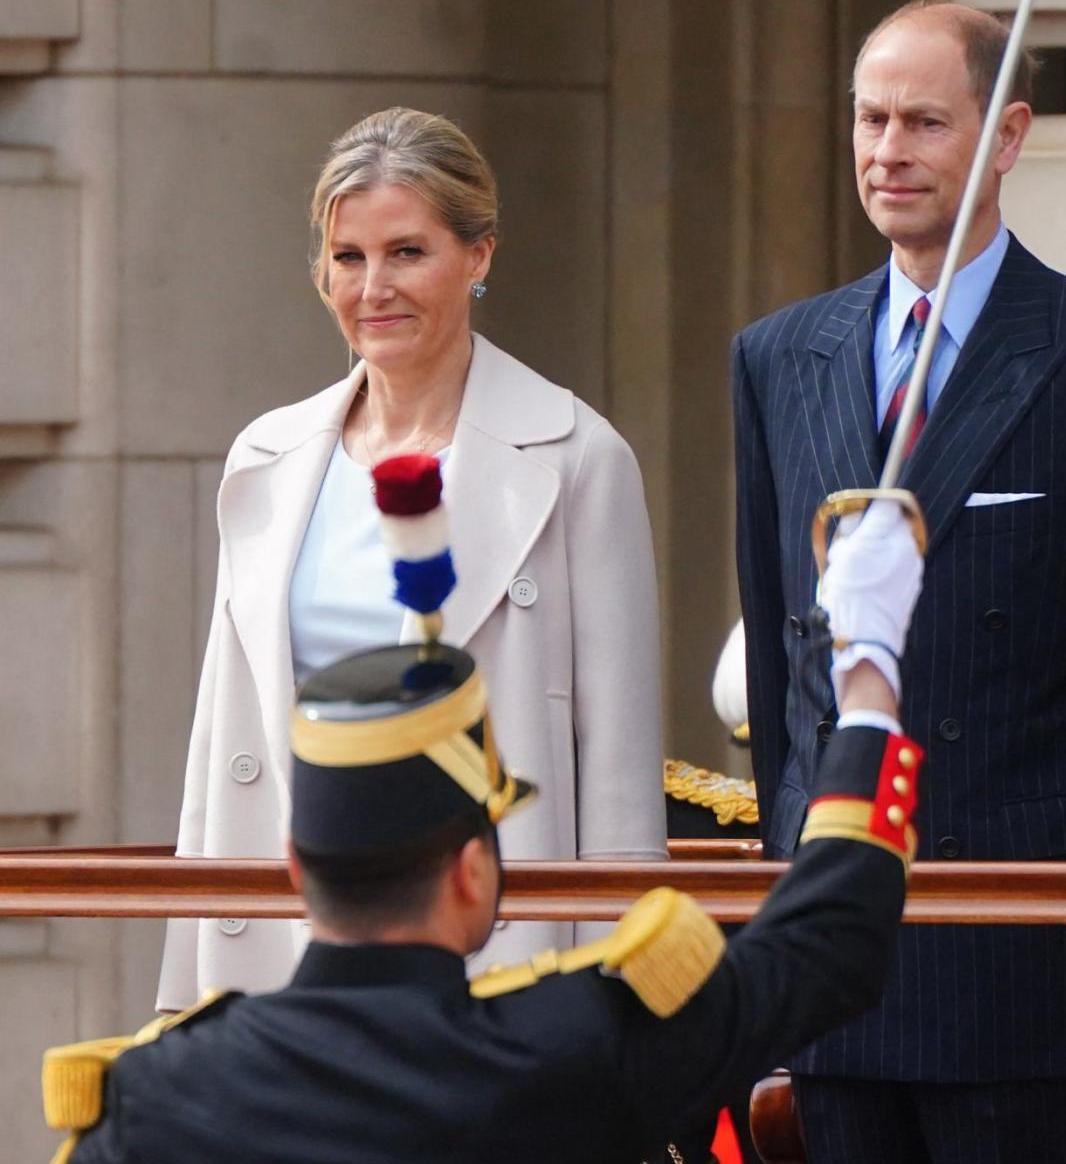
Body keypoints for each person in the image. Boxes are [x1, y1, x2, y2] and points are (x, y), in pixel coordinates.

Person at [44, 481, 927, 1164]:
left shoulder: (152, 1090)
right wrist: (866, 680)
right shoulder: (565, 1047)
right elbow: (824, 945)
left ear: (294, 865)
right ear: (471, 872)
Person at [731, 0, 1066, 1164]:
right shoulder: (774, 357)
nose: (887, 152)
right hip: (837, 946)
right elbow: (777, 658)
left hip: (1025, 943)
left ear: (1006, 137)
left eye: (923, 123)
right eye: (868, 120)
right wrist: (777, 899)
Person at [157, 107, 666, 1012]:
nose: (372, 288)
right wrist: (181, 1002)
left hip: (493, 974)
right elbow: (219, 749)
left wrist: (614, 1021)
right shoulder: (263, 461)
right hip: (286, 959)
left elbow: (621, 781)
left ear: (479, 257)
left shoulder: (579, 458)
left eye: (406, 252)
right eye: (347, 257)